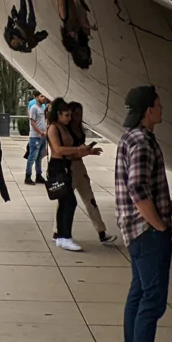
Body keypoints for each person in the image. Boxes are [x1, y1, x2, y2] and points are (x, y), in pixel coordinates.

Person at [116, 85, 172, 342]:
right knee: (151, 301)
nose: (162, 107)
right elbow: (138, 189)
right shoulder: (140, 141)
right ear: (148, 111)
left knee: (139, 296)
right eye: (158, 103)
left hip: (138, 231)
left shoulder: (132, 137)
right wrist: (160, 225)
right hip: (146, 233)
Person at [47, 98, 100, 251]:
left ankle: (63, 236)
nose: (70, 118)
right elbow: (58, 149)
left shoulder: (63, 127)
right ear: (58, 114)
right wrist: (77, 150)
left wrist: (85, 151)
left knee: (65, 202)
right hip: (57, 167)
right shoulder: (53, 128)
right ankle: (64, 236)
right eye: (67, 115)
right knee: (69, 201)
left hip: (66, 166)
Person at [67, 102, 116, 244]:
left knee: (90, 199)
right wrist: (83, 152)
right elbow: (66, 152)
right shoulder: (65, 131)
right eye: (75, 114)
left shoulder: (80, 129)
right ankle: (58, 231)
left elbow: (79, 152)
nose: (78, 117)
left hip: (79, 167)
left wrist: (88, 151)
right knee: (65, 202)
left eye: (80, 114)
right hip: (68, 168)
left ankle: (101, 232)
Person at [25, 92, 48, 185]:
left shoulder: (43, 108)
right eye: (41, 96)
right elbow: (33, 122)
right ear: (37, 97)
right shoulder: (34, 108)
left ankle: (39, 175)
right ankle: (28, 176)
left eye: (44, 96)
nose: (43, 98)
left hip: (43, 137)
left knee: (39, 158)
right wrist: (40, 132)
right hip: (35, 137)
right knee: (32, 157)